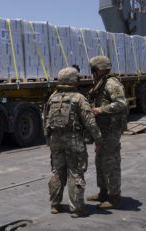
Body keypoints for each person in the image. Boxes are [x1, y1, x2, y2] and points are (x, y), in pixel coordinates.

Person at [45, 67, 103, 218]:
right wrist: (98, 140)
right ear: (73, 81)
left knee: (57, 171)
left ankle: (55, 205)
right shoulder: (79, 98)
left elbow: (46, 120)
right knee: (75, 172)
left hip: (55, 140)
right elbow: (90, 122)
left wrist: (48, 140)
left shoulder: (53, 97)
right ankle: (76, 208)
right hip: (73, 140)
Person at [86, 56, 128, 209]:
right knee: (100, 162)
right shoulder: (101, 82)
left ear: (98, 69)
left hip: (111, 130)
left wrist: (100, 110)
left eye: (93, 70)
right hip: (103, 130)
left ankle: (114, 197)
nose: (92, 73)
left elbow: (121, 103)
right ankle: (104, 193)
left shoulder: (111, 83)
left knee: (111, 163)